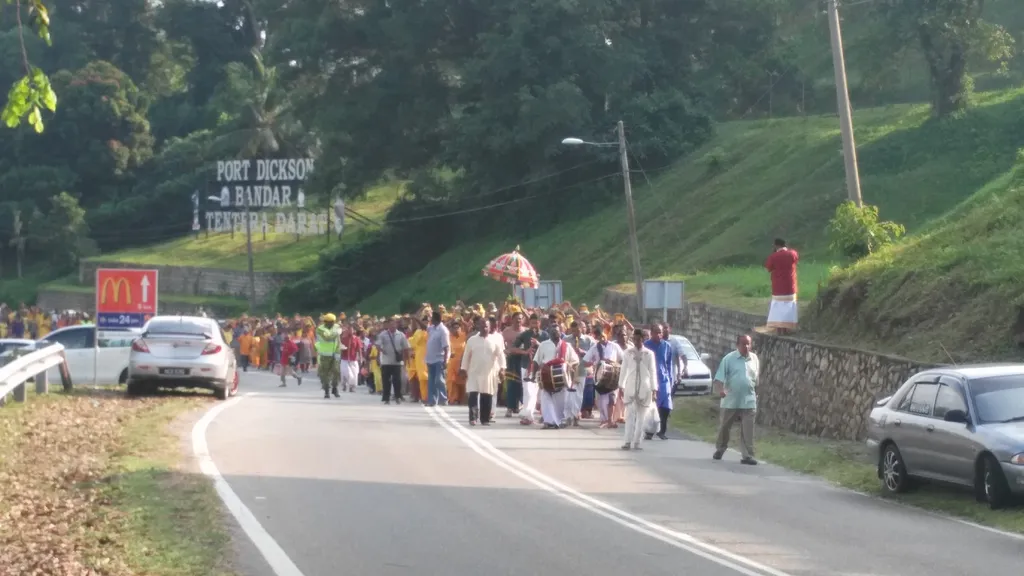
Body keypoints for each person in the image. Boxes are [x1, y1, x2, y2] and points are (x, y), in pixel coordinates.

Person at [713, 334, 760, 465]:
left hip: (749, 399)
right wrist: (721, 390)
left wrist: (756, 393)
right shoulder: (729, 359)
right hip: (731, 400)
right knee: (725, 427)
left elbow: (756, 380)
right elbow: (719, 378)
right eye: (743, 344)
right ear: (737, 345)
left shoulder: (754, 359)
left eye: (748, 344)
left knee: (748, 429)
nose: (746, 347)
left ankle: (747, 455)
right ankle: (720, 449)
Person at [460, 317, 505, 425]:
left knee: (487, 396)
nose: (484, 328)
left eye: (486, 326)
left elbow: (501, 356)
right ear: (478, 327)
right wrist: (463, 369)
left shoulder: (495, 340)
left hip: (489, 373)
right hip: (474, 372)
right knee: (473, 395)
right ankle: (473, 418)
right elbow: (466, 356)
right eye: (482, 326)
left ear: (490, 328)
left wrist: (502, 369)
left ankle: (484, 419)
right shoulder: (472, 340)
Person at [533, 326, 579, 429]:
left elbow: (575, 361)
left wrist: (571, 368)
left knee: (559, 402)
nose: (555, 333)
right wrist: (532, 375)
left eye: (557, 331)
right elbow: (536, 360)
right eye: (553, 331)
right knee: (546, 398)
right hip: (546, 376)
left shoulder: (567, 346)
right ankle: (548, 421)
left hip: (562, 378)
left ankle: (557, 421)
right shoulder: (544, 345)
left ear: (561, 332)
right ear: (549, 333)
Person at [619, 328, 657, 450]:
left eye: (639, 339)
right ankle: (627, 441)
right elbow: (623, 370)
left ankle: (637, 442)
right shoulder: (628, 353)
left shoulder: (649, 353)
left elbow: (652, 371)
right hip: (630, 386)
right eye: (634, 339)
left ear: (643, 339)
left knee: (642, 417)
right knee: (629, 415)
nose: (636, 342)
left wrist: (654, 389)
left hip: (645, 388)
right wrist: (621, 385)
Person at [583, 324, 624, 428]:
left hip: (614, 376)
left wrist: (614, 364)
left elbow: (623, 359)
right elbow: (585, 362)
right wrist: (595, 363)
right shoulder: (594, 348)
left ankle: (610, 420)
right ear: (596, 337)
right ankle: (604, 420)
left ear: (607, 334)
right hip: (599, 377)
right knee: (601, 400)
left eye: (603, 335)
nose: (601, 338)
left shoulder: (614, 346)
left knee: (612, 399)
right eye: (599, 336)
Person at [643, 325, 674, 440]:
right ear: (651, 333)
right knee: (651, 406)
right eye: (656, 332)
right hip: (650, 379)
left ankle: (662, 431)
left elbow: (669, 364)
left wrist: (671, 380)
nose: (658, 335)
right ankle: (649, 431)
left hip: (664, 379)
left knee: (666, 406)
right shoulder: (646, 345)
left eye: (660, 332)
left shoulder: (667, 346)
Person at [764, 238, 799, 334]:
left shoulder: (774, 256)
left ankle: (779, 329)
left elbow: (768, 267)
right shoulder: (793, 253)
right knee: (789, 307)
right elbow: (796, 261)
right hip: (790, 287)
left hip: (778, 288)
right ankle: (787, 328)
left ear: (776, 246)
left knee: (778, 309)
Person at [376, 318, 410, 405]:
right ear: (388, 325)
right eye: (391, 324)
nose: (392, 326)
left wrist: (406, 359)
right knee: (386, 380)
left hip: (397, 362)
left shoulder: (401, 335)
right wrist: (382, 351)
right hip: (386, 362)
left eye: (394, 324)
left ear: (396, 325)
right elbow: (377, 344)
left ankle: (397, 396)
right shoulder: (383, 334)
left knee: (397, 380)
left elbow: (406, 347)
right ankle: (386, 398)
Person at [425, 311, 451, 407]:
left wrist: (445, 361)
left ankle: (444, 399)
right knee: (431, 381)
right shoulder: (432, 328)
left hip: (439, 359)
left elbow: (446, 347)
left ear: (436, 319)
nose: (430, 320)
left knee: (439, 380)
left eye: (432, 319)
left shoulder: (443, 330)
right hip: (430, 359)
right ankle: (432, 401)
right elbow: (425, 328)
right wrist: (415, 319)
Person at [315, 314, 342, 398]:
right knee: (325, 374)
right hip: (325, 354)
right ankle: (327, 390)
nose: (332, 323)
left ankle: (335, 387)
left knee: (336, 371)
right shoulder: (320, 329)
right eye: (330, 322)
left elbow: (338, 339)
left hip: (336, 353)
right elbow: (327, 338)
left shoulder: (336, 326)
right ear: (326, 322)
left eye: (333, 322)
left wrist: (340, 347)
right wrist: (337, 333)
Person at [339, 325, 363, 393]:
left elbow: (359, 349)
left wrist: (361, 358)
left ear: (354, 331)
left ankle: (352, 387)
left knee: (355, 374)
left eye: (351, 330)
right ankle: (344, 384)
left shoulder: (357, 339)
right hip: (345, 359)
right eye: (349, 329)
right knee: (347, 373)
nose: (350, 331)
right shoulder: (343, 338)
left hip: (353, 359)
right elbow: (339, 348)